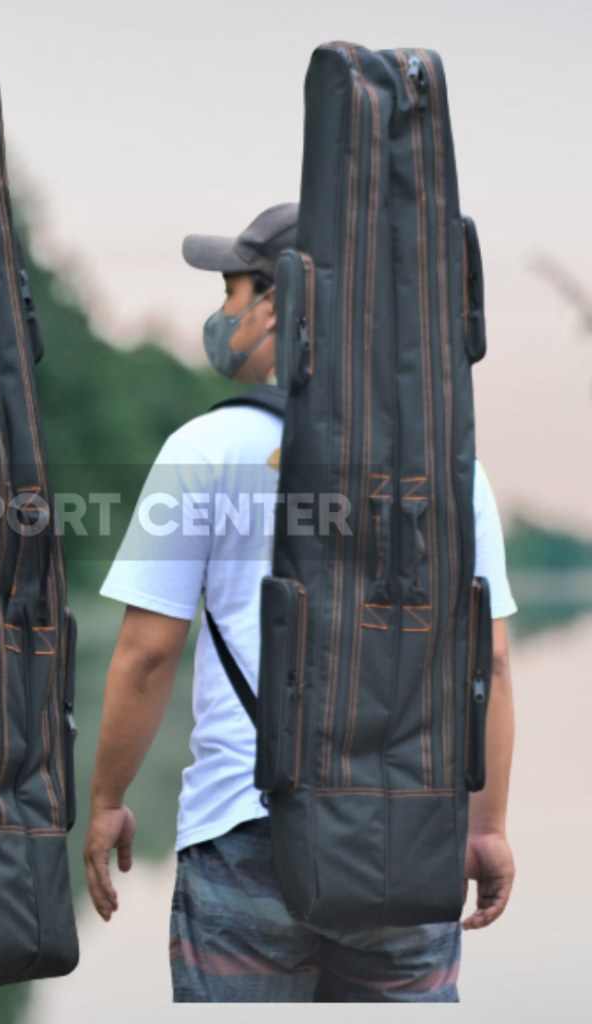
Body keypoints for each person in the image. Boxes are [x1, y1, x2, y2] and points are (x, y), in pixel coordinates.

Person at [83, 203, 517, 1003]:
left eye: (231, 290)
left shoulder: (205, 449)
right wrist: (485, 826)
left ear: (277, 300)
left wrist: (108, 798)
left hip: (245, 829)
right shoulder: (448, 462)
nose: (223, 313)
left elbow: (147, 654)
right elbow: (485, 659)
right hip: (407, 829)